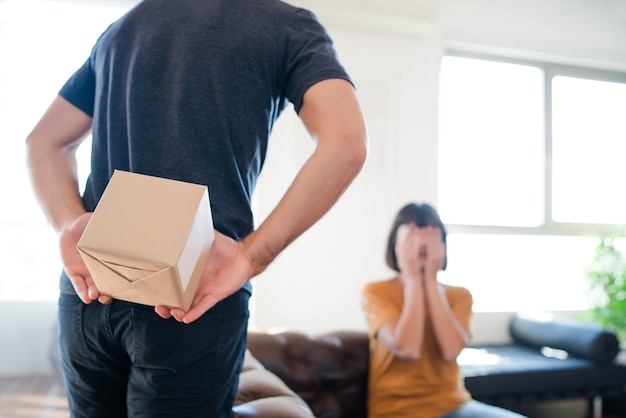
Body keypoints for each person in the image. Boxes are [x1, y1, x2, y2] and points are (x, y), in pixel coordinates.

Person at [25, 0, 368, 416]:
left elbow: (43, 141)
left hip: (90, 291)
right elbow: (346, 143)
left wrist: (69, 223)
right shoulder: (287, 24)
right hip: (191, 293)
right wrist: (250, 256)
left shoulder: (123, 27)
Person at [361, 203, 526, 418]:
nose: (422, 244)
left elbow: (451, 350)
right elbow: (408, 348)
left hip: (452, 405)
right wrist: (412, 278)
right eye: (412, 236)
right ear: (396, 247)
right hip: (395, 410)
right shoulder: (377, 292)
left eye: (430, 238)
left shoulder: (459, 296)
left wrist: (429, 279)